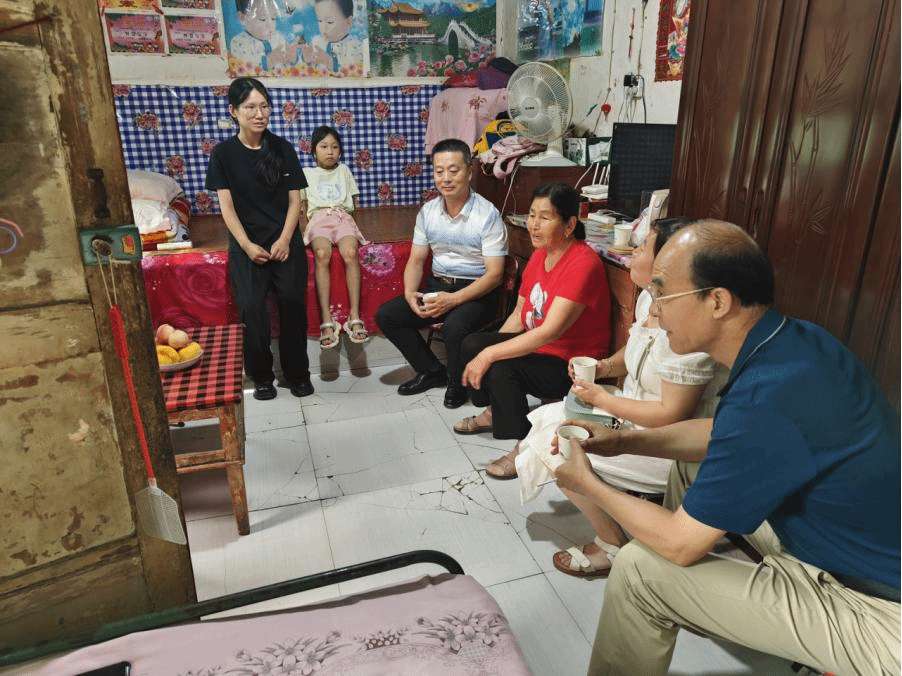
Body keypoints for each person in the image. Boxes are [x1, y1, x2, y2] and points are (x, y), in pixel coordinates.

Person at [551, 220, 900, 676]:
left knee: (640, 570)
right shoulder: (794, 344)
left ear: (717, 301)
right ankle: (689, 593)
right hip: (848, 549)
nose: (655, 310)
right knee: (688, 468)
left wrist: (589, 484)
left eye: (662, 293)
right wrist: (623, 441)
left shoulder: (769, 394)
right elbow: (722, 435)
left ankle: (666, 593)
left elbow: (680, 545)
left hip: (877, 607)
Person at [518, 217, 726, 578]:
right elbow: (633, 351)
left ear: (668, 265)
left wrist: (604, 399)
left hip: (671, 446)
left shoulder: (689, 323)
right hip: (628, 414)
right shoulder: (649, 298)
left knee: (554, 450)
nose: (633, 252)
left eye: (642, 247)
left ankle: (611, 543)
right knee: (546, 421)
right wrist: (601, 368)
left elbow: (671, 416)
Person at [455, 183, 611, 479]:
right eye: (532, 215)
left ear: (569, 225)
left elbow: (548, 332)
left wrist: (491, 355)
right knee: (472, 344)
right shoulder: (541, 254)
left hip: (568, 363)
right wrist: (488, 348)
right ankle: (494, 412)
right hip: (541, 346)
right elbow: (519, 315)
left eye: (545, 217)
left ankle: (523, 448)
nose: (534, 225)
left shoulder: (583, 263)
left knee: (501, 368)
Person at [375, 138, 507, 410]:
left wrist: (454, 299)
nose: (446, 178)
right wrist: (410, 293)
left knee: (455, 326)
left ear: (469, 172)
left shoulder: (487, 215)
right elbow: (416, 260)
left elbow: (495, 275)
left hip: (478, 292)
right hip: (439, 286)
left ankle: (457, 383)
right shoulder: (428, 212)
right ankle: (431, 371)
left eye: (453, 170)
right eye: (439, 171)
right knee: (388, 315)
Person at [205, 77, 313, 401]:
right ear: (233, 111)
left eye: (264, 106)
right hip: (246, 245)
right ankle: (262, 377)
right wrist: (247, 245)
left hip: (284, 241)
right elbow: (226, 208)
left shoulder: (283, 149)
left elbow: (295, 202)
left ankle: (298, 374)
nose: (259, 114)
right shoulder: (222, 154)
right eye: (250, 107)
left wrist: (285, 240)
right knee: (251, 309)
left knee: (292, 303)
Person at [302, 125, 369, 348]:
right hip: (318, 219)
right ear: (314, 150)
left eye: (335, 147)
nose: (330, 151)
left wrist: (350, 226)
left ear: (340, 151)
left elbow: (353, 205)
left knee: (350, 252)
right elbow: (302, 207)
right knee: (322, 253)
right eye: (323, 147)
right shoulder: (307, 173)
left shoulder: (344, 171)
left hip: (342, 217)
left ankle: (354, 316)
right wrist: (304, 231)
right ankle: (326, 319)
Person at [230, 0, 295, 72]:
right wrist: (269, 60)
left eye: (273, 18)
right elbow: (244, 67)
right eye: (263, 19)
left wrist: (291, 56)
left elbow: (287, 63)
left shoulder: (277, 38)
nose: (270, 25)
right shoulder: (239, 42)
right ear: (242, 17)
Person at [301, 0, 364, 73]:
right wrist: (308, 61)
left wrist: (329, 62)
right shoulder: (317, 43)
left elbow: (354, 73)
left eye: (330, 22)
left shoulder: (356, 49)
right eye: (320, 21)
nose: (323, 27)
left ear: (349, 21)